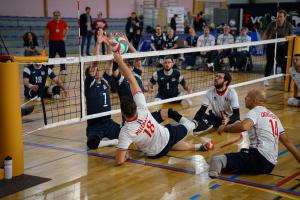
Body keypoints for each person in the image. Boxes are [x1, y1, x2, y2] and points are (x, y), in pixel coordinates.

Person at [113, 53, 214, 165]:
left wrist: (126, 155)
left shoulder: (125, 131)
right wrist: (120, 61)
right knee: (189, 126)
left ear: (122, 112)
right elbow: (132, 80)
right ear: (135, 107)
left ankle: (198, 146)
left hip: (155, 153)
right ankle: (195, 124)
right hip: (167, 135)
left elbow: (119, 161)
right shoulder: (142, 108)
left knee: (169, 143)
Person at [209, 89, 300, 178]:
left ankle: (220, 164)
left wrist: (225, 128)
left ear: (254, 101)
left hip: (258, 157)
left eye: (247, 97)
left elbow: (244, 126)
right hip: (270, 165)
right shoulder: (274, 116)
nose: (245, 98)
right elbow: (287, 141)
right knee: (243, 152)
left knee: (218, 159)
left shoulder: (255, 112)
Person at [85, 31, 120, 149]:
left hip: (108, 122)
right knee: (91, 143)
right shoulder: (90, 84)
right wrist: (98, 43)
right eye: (94, 71)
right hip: (94, 125)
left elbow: (110, 62)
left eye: (97, 71)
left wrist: (109, 43)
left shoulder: (105, 81)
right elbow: (95, 63)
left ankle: (108, 138)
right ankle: (110, 142)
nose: (96, 72)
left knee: (127, 133)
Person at [263, 10, 294, 86]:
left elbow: (292, 36)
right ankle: (266, 79)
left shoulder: (288, 25)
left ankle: (285, 80)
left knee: (283, 63)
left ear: (285, 17)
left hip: (282, 46)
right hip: (271, 46)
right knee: (270, 62)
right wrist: (263, 43)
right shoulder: (272, 24)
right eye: (278, 16)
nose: (279, 18)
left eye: (280, 16)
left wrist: (288, 37)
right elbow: (266, 34)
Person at [45, 10, 69, 75]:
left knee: (63, 55)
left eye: (58, 15)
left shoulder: (63, 23)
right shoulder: (49, 23)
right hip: (52, 42)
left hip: (61, 42)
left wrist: (65, 36)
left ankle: (63, 69)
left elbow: (67, 29)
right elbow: (46, 32)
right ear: (53, 16)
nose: (57, 17)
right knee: (52, 56)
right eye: (56, 15)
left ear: (60, 16)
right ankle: (49, 69)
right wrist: (46, 39)